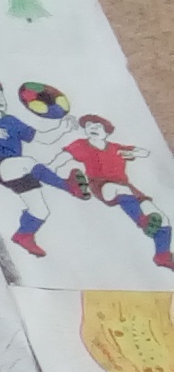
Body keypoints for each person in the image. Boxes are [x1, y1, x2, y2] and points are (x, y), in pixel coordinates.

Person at [0, 75, 73, 257]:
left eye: (0, 94)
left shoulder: (12, 121)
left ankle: (23, 236)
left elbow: (42, 138)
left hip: (17, 168)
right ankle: (68, 185)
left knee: (40, 211)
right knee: (27, 163)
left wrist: (63, 129)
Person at [61, 113, 174, 269]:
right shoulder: (82, 145)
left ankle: (162, 256)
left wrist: (133, 153)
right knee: (117, 188)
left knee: (163, 219)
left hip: (127, 186)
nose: (93, 128)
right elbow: (64, 156)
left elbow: (144, 152)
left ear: (106, 131)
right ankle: (143, 221)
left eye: (98, 126)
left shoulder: (115, 148)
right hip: (101, 185)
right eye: (89, 126)